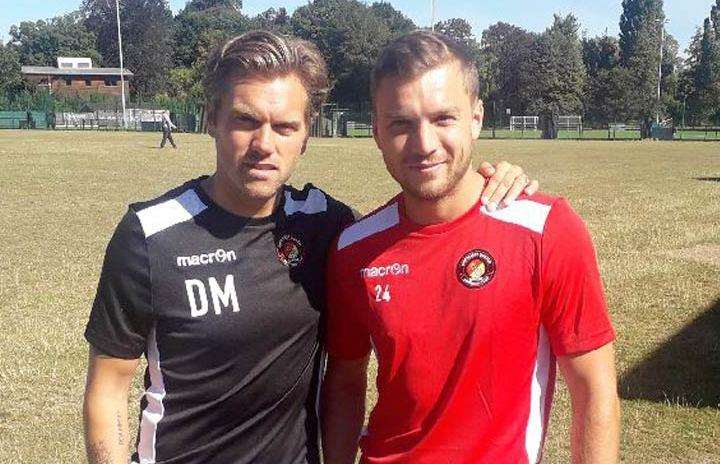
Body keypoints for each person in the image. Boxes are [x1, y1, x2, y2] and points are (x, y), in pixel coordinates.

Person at [82, 31, 537, 464]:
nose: (264, 144)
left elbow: (418, 229)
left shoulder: (328, 226)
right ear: (211, 119)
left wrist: (494, 181)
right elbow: (108, 387)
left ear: (305, 134)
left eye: (284, 126)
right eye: (245, 120)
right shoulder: (150, 234)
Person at [323, 31, 620, 464]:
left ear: (476, 118)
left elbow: (594, 391)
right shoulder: (354, 249)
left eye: (443, 119)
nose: (424, 144)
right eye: (402, 123)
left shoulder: (546, 229)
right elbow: (345, 384)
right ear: (377, 133)